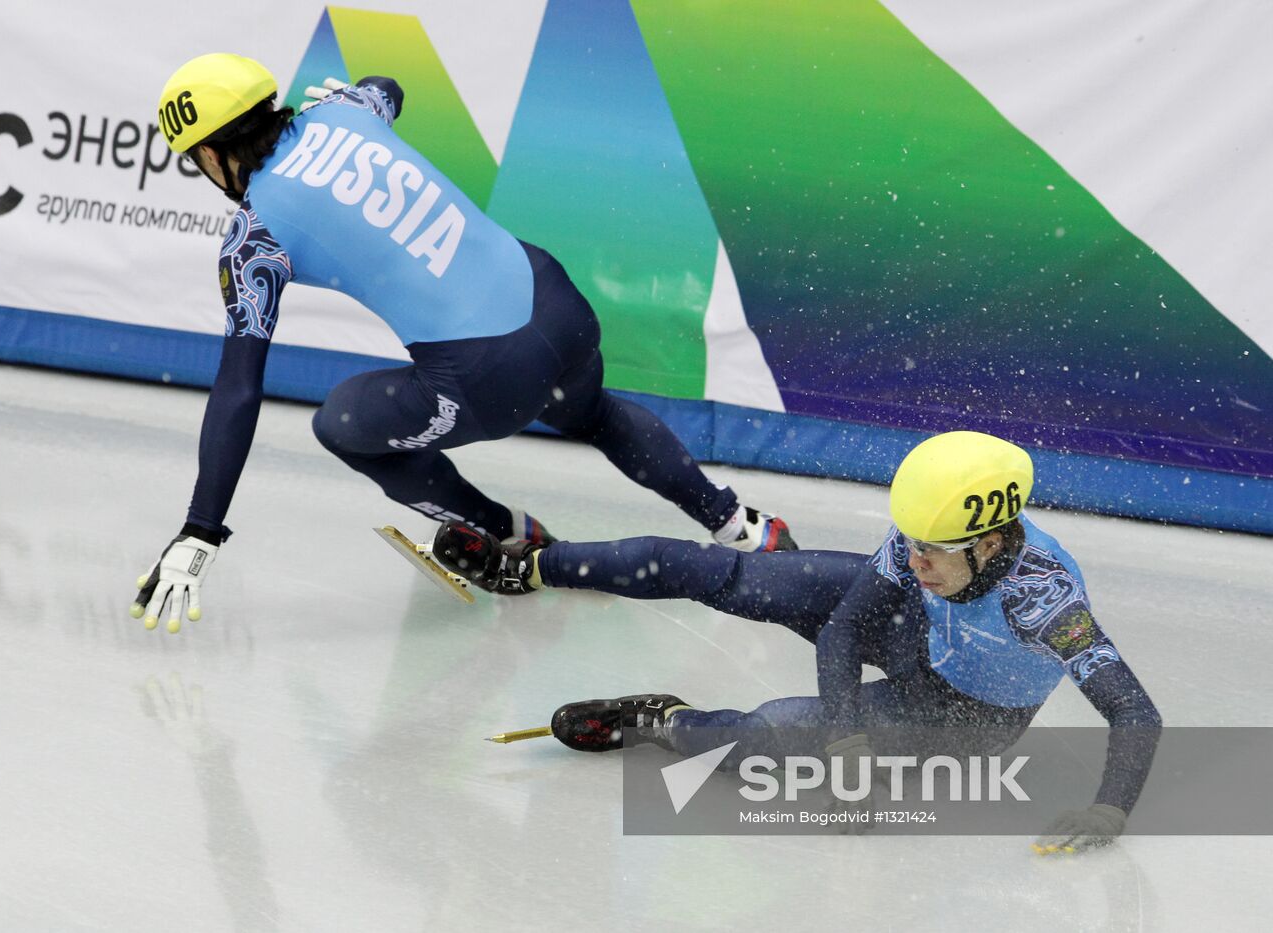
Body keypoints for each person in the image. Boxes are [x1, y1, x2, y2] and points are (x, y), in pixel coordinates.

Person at [130, 53, 795, 634]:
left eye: (197, 164)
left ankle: (505, 534)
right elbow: (384, 82)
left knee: (342, 423)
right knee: (594, 411)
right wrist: (340, 99)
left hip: (488, 372)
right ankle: (742, 525)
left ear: (214, 154)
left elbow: (239, 388)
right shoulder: (347, 113)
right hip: (554, 300)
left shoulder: (254, 238)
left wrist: (202, 526)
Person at [430, 430, 1162, 854]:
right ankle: (525, 566)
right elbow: (844, 627)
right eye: (905, 541)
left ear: (992, 540)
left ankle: (669, 721)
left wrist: (1109, 811)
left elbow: (1134, 711)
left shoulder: (1047, 599)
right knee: (715, 569)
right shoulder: (925, 544)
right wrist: (847, 741)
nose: (912, 559)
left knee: (764, 733)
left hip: (962, 716)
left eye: (932, 550)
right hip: (915, 630)